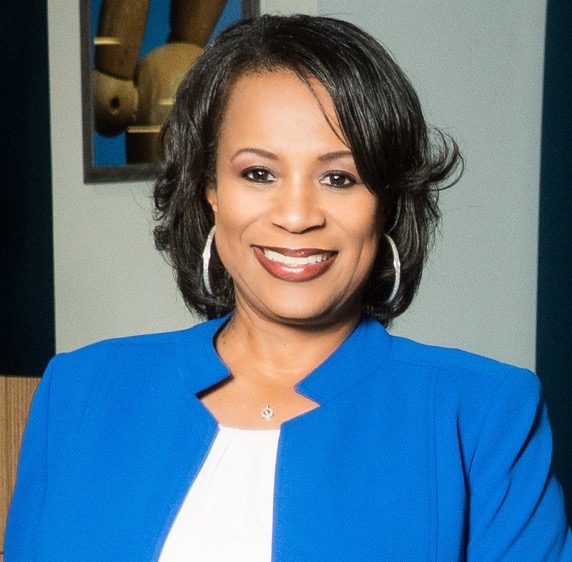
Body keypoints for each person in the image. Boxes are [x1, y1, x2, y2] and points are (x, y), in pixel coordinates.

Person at [5, 14, 571, 561]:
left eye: (339, 178)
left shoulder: (484, 414)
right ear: (209, 188)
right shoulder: (79, 391)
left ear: (386, 202)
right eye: (258, 173)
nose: (297, 216)